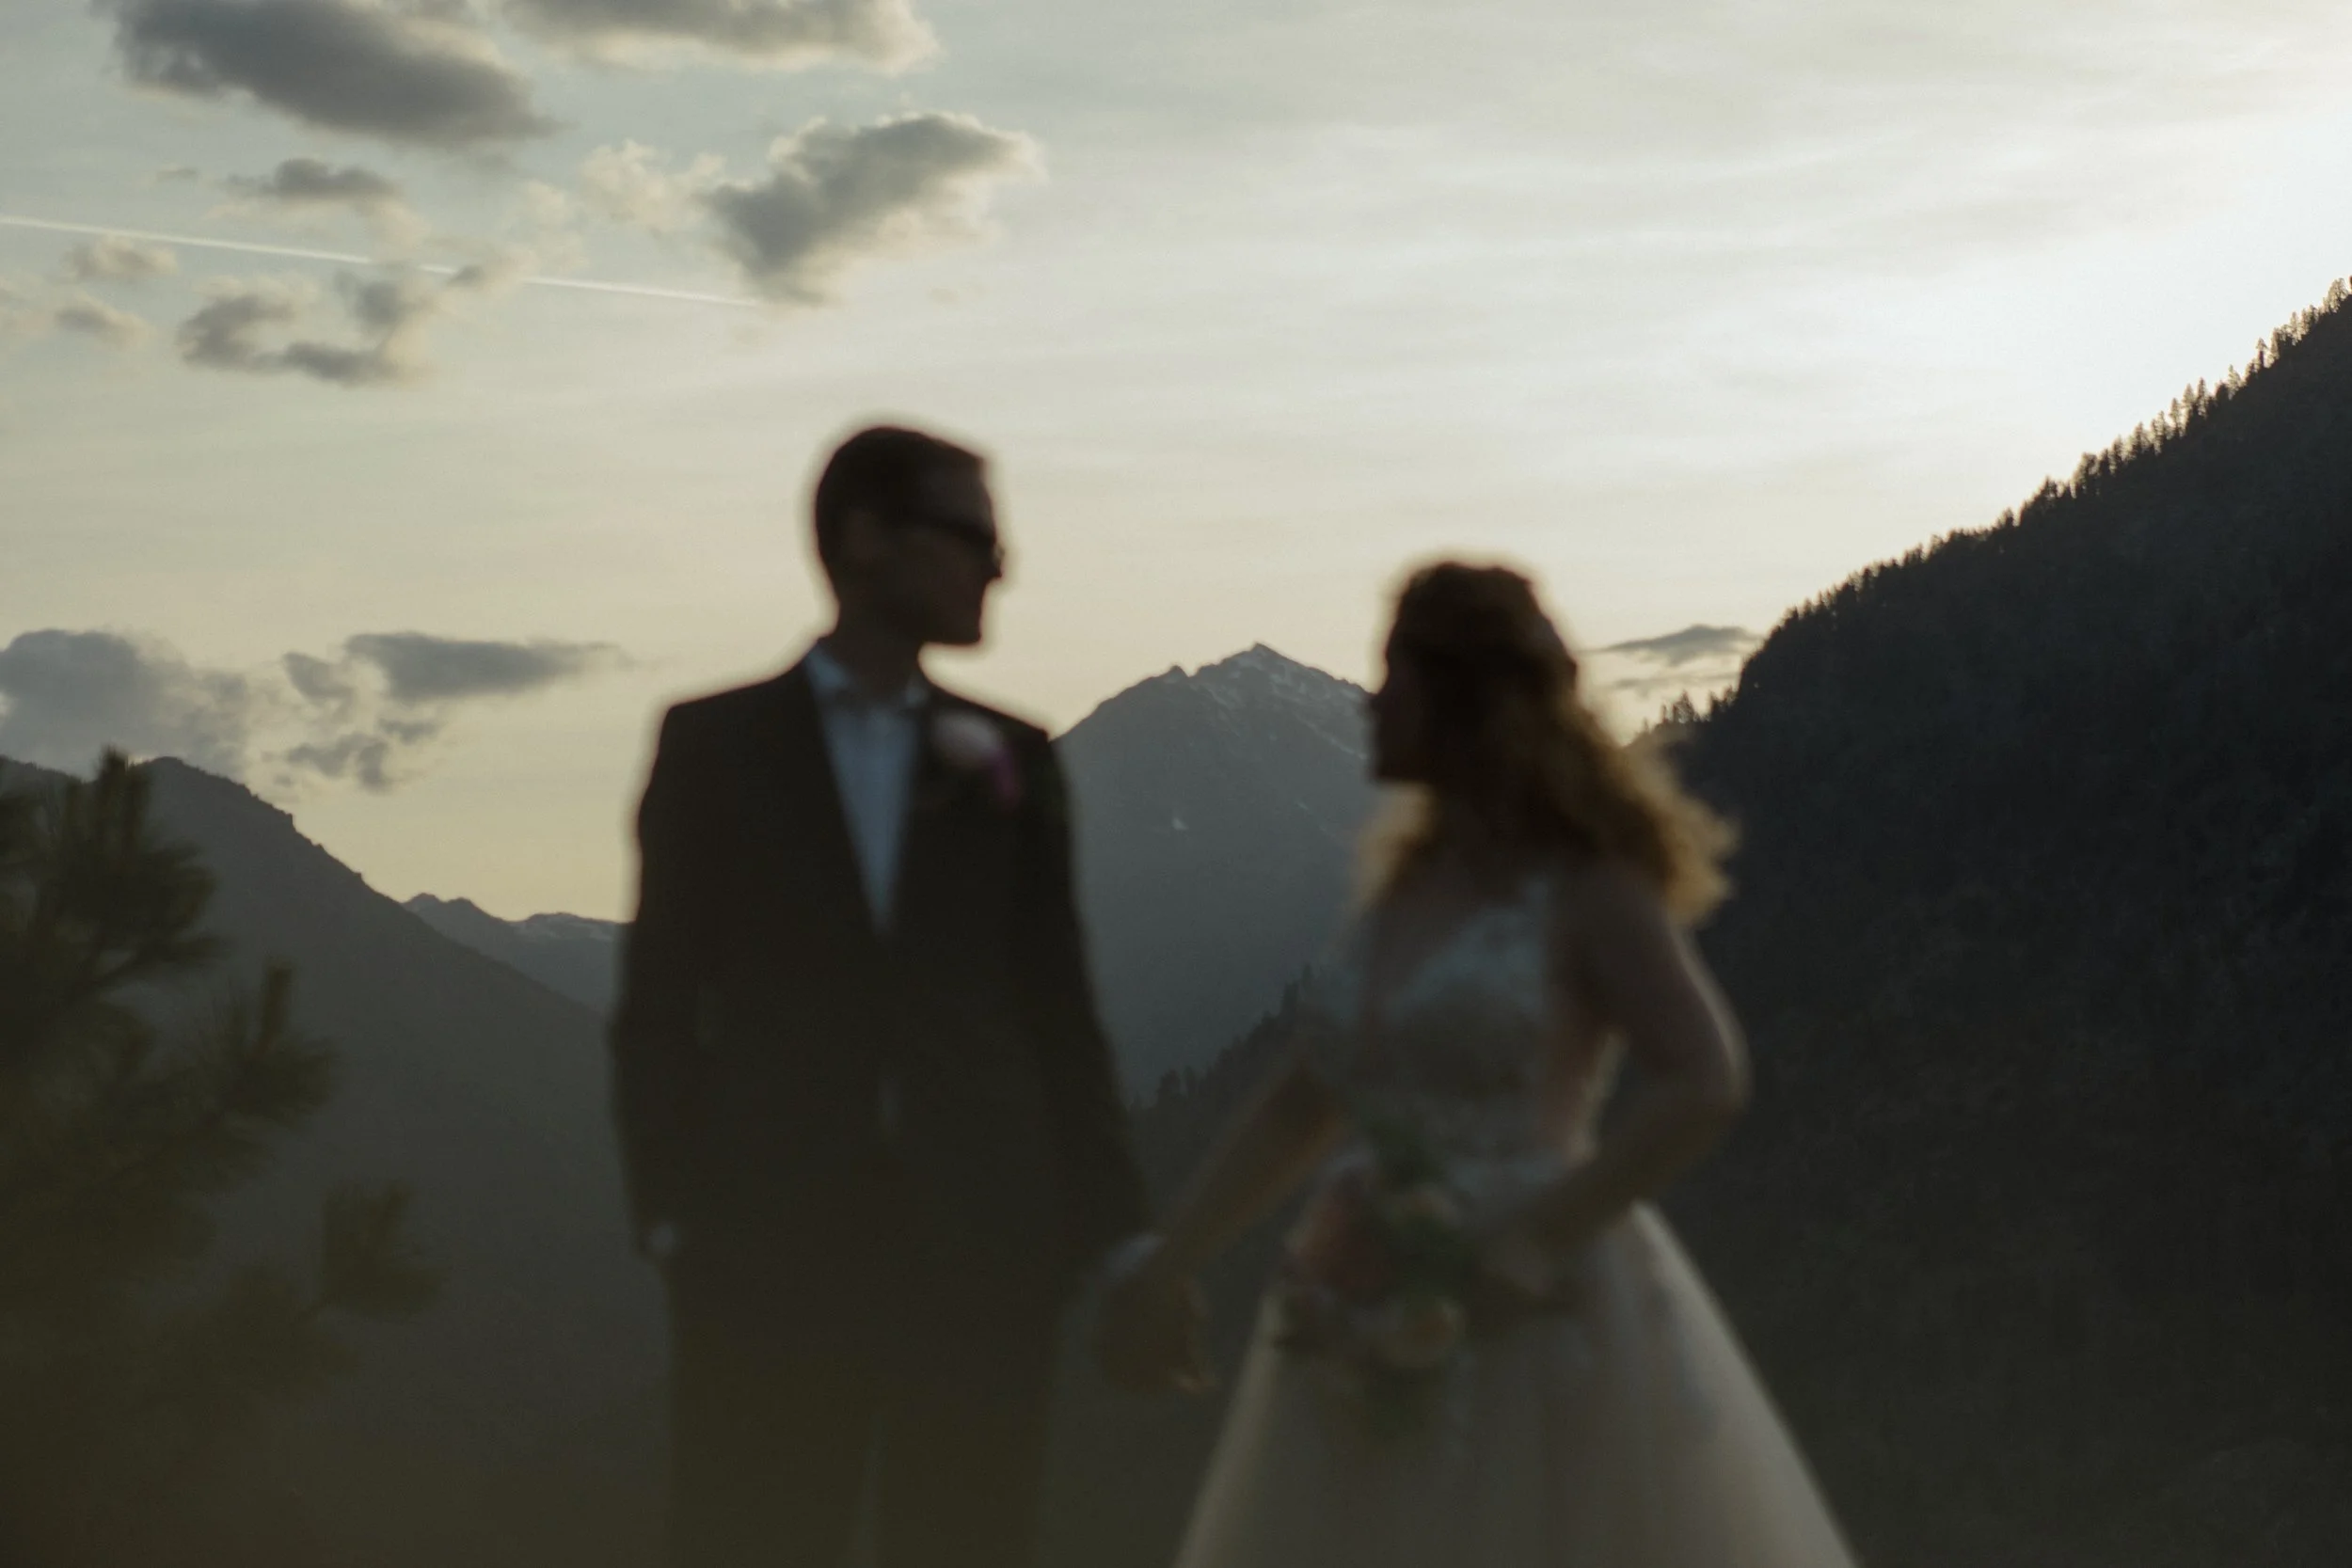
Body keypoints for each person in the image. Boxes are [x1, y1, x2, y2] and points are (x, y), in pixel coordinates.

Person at [1120, 562, 1859, 1566]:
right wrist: (1175, 1257)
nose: (1375, 700)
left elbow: (1704, 1075)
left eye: (1396, 674)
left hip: (1530, 1313)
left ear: (1464, 695)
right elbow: (1305, 1101)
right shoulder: (1407, 891)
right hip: (1361, 1286)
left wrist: (1541, 1234)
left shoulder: (1587, 887)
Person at [610, 424, 1184, 1568]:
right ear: (866, 539)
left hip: (983, 1256)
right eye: (972, 532)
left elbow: (1059, 1010)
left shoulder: (1013, 755)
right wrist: (675, 1216)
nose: (1000, 564)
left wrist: (1117, 1236)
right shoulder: (712, 743)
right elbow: (661, 999)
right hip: (763, 1255)